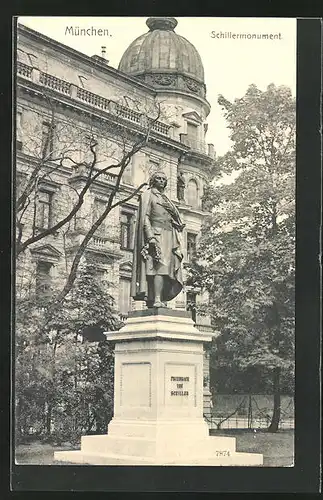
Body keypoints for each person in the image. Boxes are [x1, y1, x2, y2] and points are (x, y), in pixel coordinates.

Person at [131, 171, 185, 308]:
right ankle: (156, 299)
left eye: (163, 179)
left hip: (169, 235)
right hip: (156, 234)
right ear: (153, 181)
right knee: (158, 268)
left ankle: (160, 298)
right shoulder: (148, 195)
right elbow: (145, 218)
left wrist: (177, 223)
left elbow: (174, 218)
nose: (161, 181)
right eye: (158, 179)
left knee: (167, 269)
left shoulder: (166, 199)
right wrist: (150, 237)